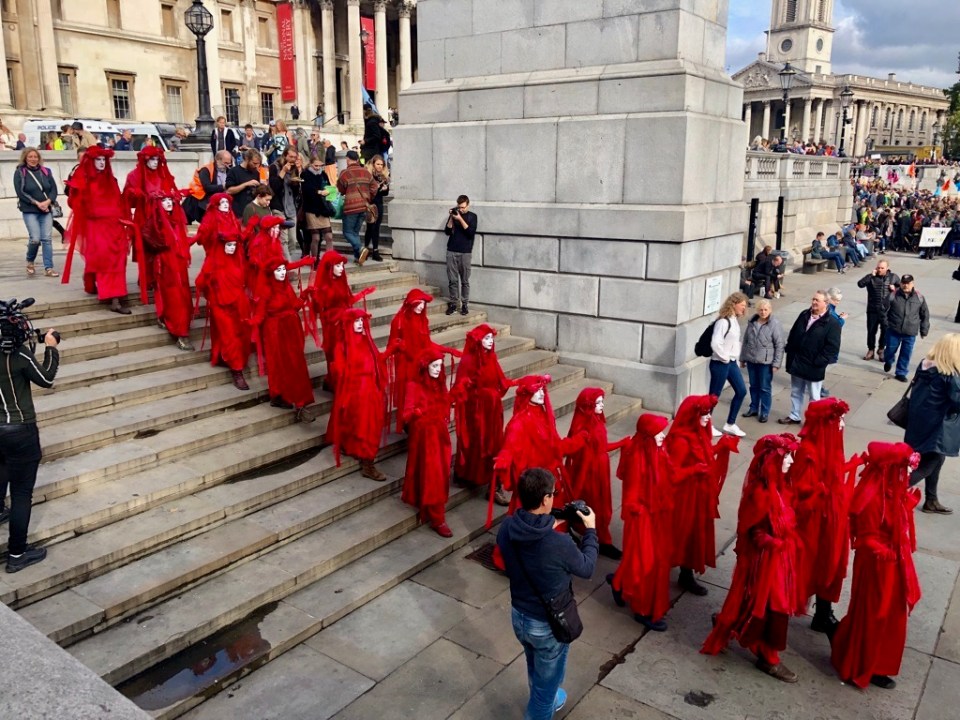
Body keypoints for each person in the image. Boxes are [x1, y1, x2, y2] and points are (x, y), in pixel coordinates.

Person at [496, 467, 597, 720]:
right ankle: (543, 704)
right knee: (545, 686)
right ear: (545, 499)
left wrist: (554, 518)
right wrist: (591, 530)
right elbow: (587, 567)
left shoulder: (507, 527)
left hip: (519, 615)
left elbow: (528, 532)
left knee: (536, 664)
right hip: (547, 622)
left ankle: (548, 695)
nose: (554, 497)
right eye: (553, 493)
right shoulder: (558, 544)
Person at [702, 434, 802, 684]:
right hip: (764, 563)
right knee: (770, 606)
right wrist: (773, 542)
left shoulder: (781, 486)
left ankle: (727, 624)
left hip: (779, 560)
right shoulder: (761, 493)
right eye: (786, 456)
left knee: (750, 602)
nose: (791, 460)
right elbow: (752, 530)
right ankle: (769, 658)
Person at [831, 442, 921, 691]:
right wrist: (885, 551)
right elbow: (866, 536)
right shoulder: (872, 496)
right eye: (904, 469)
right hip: (877, 567)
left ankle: (878, 664)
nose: (909, 473)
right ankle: (860, 664)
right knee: (873, 615)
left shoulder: (894, 490)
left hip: (893, 563)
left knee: (892, 617)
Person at [790, 398, 858, 635]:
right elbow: (801, 494)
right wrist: (820, 493)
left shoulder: (831, 443)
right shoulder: (809, 451)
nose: (841, 424)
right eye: (838, 419)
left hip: (831, 519)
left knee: (830, 565)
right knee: (814, 566)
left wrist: (851, 467)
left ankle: (823, 612)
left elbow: (833, 473)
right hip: (814, 524)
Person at [0, 309, 59, 573]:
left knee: (1, 470)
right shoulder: (19, 354)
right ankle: (17, 553)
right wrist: (51, 347)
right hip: (20, 429)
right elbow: (46, 378)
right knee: (22, 493)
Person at [665, 394, 740, 596]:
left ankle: (686, 573)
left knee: (692, 536)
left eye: (709, 413)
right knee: (679, 535)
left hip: (697, 496)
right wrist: (693, 471)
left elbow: (703, 456)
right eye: (704, 413)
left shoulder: (700, 433)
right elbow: (671, 475)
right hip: (683, 499)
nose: (708, 417)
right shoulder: (681, 441)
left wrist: (720, 447)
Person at [607, 413, 673, 631]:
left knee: (643, 561)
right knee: (645, 563)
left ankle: (619, 582)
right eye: (658, 432)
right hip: (642, 519)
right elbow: (632, 497)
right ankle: (642, 609)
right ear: (647, 436)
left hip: (656, 516)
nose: (663, 435)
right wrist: (643, 511)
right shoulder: (638, 456)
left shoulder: (656, 450)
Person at [62, 147, 133, 315]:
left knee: (117, 259)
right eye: (98, 160)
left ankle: (108, 291)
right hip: (95, 227)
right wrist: (76, 193)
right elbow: (73, 203)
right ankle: (114, 298)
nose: (102, 163)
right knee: (104, 259)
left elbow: (119, 201)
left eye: (104, 160)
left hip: (114, 226)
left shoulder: (112, 180)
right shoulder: (84, 180)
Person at [402, 347, 463, 538]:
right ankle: (438, 517)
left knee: (438, 473)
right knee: (433, 474)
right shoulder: (414, 386)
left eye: (440, 366)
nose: (438, 370)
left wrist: (458, 392)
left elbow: (444, 404)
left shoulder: (439, 385)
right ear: (425, 366)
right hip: (424, 438)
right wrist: (418, 414)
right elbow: (406, 414)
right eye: (434, 366)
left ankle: (430, 506)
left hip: (439, 437)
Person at [563, 388, 630, 559]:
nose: (602, 405)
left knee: (603, 506)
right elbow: (575, 452)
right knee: (595, 505)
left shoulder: (597, 420)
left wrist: (622, 443)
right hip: (589, 474)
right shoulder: (582, 425)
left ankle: (601, 538)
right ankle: (598, 539)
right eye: (598, 402)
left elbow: (602, 447)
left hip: (600, 470)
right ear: (589, 405)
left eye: (602, 401)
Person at [194, 195, 251, 391]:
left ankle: (221, 356)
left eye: (228, 203)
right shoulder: (213, 262)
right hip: (220, 302)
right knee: (229, 334)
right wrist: (212, 289)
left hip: (237, 301)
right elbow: (200, 281)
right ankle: (236, 369)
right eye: (223, 203)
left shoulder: (239, 261)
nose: (232, 247)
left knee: (239, 332)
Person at [326, 308, 389, 481]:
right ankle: (367, 464)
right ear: (348, 324)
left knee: (370, 427)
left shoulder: (367, 340)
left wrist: (392, 350)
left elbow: (378, 359)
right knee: (363, 427)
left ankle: (362, 456)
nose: (361, 324)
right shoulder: (342, 345)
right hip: (355, 393)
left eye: (362, 320)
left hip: (370, 391)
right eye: (356, 321)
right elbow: (339, 370)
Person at [385, 289, 460, 434]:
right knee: (409, 396)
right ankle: (409, 424)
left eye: (424, 303)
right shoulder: (399, 321)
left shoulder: (423, 320)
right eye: (419, 302)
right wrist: (402, 348)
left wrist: (447, 350)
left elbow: (427, 343)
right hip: (407, 365)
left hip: (421, 365)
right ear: (411, 302)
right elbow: (391, 346)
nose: (421, 306)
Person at [452, 324, 513, 496]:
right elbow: (460, 387)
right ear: (478, 340)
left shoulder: (491, 357)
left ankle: (492, 482)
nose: (490, 341)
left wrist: (508, 385)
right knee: (475, 442)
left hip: (491, 410)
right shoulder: (468, 360)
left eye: (491, 338)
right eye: (486, 338)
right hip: (475, 410)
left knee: (492, 442)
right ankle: (470, 474)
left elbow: (500, 378)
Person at [251, 256, 315, 419]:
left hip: (291, 331)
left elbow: (294, 307)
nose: (282, 272)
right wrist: (250, 322)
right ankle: (278, 395)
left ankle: (297, 398)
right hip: (275, 332)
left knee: (294, 363)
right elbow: (259, 315)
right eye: (278, 270)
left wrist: (304, 295)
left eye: (283, 269)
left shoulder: (286, 286)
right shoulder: (266, 290)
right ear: (271, 272)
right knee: (278, 363)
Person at [904, 333, 960, 515]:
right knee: (929, 462)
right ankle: (890, 493)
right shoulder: (949, 375)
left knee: (936, 458)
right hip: (937, 426)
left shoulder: (924, 366)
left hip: (920, 422)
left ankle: (931, 499)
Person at [778, 290, 841, 425]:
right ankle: (794, 415)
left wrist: (819, 361)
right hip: (797, 361)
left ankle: (813, 421)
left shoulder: (832, 323)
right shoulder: (804, 315)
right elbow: (794, 332)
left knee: (814, 396)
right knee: (796, 391)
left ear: (826, 303)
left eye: (817, 300)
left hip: (814, 366)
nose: (813, 302)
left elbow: (832, 348)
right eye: (813, 299)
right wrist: (790, 349)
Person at [143, 191, 195, 352]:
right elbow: (150, 240)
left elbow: (181, 241)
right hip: (166, 264)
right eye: (164, 200)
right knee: (173, 296)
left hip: (178, 263)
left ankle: (170, 320)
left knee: (181, 294)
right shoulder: (155, 222)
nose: (168, 202)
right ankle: (179, 332)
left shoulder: (177, 219)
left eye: (169, 199)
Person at [14, 148, 60, 278]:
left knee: (47, 239)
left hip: (46, 209)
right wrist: (37, 203)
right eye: (30, 157)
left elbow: (54, 189)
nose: (33, 159)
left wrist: (48, 201)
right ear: (25, 158)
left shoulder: (45, 171)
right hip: (30, 210)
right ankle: (30, 261)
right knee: (35, 239)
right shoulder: (20, 172)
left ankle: (49, 267)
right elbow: (21, 192)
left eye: (35, 157)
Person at [708, 292, 748, 437]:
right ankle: (706, 424)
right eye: (742, 305)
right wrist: (725, 358)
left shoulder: (734, 320)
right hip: (720, 362)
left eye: (744, 306)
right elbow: (715, 343)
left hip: (730, 362)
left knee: (741, 391)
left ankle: (730, 424)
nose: (744, 308)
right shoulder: (723, 322)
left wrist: (733, 359)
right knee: (714, 396)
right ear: (734, 304)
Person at [740, 298, 785, 424]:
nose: (763, 312)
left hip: (766, 362)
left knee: (765, 388)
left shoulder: (774, 324)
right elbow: (746, 341)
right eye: (761, 309)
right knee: (753, 386)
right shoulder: (752, 322)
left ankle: (764, 411)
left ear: (770, 310)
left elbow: (780, 345)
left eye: (766, 310)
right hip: (751, 360)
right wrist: (743, 358)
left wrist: (776, 363)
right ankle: (753, 408)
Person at [883, 274, 929, 382]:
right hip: (894, 330)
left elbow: (925, 315)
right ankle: (889, 360)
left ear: (913, 284)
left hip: (910, 332)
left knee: (906, 353)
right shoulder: (893, 295)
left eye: (908, 283)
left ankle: (901, 372)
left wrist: (924, 330)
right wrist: (886, 323)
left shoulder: (919, 297)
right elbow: (882, 310)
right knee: (889, 350)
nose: (905, 285)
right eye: (903, 283)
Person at [336, 150, 374, 264]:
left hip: (351, 207)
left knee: (347, 232)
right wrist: (368, 197)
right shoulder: (366, 172)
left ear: (347, 159)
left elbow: (341, 189)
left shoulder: (344, 173)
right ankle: (358, 257)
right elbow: (374, 187)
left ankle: (360, 248)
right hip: (363, 207)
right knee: (355, 233)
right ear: (357, 160)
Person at [858, 260, 900, 361]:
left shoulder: (893, 277)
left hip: (887, 310)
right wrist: (870, 276)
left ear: (887, 268)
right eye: (878, 267)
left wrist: (895, 289)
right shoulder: (871, 276)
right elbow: (860, 284)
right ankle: (871, 349)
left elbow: (902, 290)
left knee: (885, 330)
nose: (880, 270)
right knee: (871, 330)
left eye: (882, 268)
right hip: (873, 309)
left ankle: (881, 349)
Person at [445, 195, 478, 316]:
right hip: (452, 251)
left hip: (465, 252)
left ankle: (464, 304)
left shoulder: (472, 216)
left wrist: (460, 219)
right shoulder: (454, 215)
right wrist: (451, 218)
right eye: (459, 207)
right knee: (452, 280)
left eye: (463, 207)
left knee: (465, 280)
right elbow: (447, 232)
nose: (461, 209)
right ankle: (453, 304)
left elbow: (470, 233)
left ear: (468, 205)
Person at [268, 147, 303, 261]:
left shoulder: (294, 169)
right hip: (278, 206)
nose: (292, 159)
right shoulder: (275, 167)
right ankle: (287, 264)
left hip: (291, 206)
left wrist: (295, 183)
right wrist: (282, 172)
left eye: (295, 157)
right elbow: (274, 187)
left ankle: (287, 258)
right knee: (284, 238)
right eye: (290, 157)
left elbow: (296, 192)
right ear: (285, 155)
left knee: (293, 239)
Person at [183, 150, 234, 224]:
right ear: (217, 160)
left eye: (229, 163)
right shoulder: (206, 170)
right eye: (225, 163)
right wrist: (224, 186)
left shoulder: (229, 170)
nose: (227, 165)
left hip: (221, 200)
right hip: (200, 200)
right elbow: (207, 188)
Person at [301, 153, 334, 258]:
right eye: (316, 166)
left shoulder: (323, 174)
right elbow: (306, 190)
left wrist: (329, 191)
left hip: (323, 208)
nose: (318, 168)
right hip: (311, 209)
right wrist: (318, 192)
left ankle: (330, 259)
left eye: (320, 165)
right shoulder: (305, 174)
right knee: (315, 238)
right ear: (310, 164)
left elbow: (329, 186)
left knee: (329, 236)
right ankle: (314, 260)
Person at [226, 149, 268, 219]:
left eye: (258, 164)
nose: (256, 166)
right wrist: (246, 184)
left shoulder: (256, 172)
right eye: (254, 163)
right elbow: (229, 191)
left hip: (252, 211)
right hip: (238, 212)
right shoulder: (234, 171)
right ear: (247, 159)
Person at [363, 154, 389, 262]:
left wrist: (385, 188)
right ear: (373, 164)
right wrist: (377, 188)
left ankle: (375, 250)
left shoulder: (383, 176)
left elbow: (385, 194)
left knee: (376, 227)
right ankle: (365, 249)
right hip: (370, 204)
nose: (379, 166)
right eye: (378, 164)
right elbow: (369, 192)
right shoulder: (368, 175)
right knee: (370, 227)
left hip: (379, 203)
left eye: (381, 165)